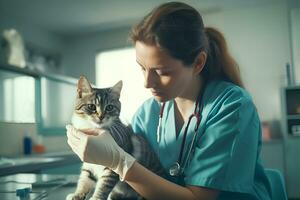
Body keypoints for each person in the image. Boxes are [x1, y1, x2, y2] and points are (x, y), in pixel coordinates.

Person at [66, 2, 272, 200]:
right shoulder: (148, 113)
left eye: (161, 71)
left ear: (198, 63)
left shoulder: (231, 106)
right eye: (142, 67)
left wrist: (119, 162)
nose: (147, 83)